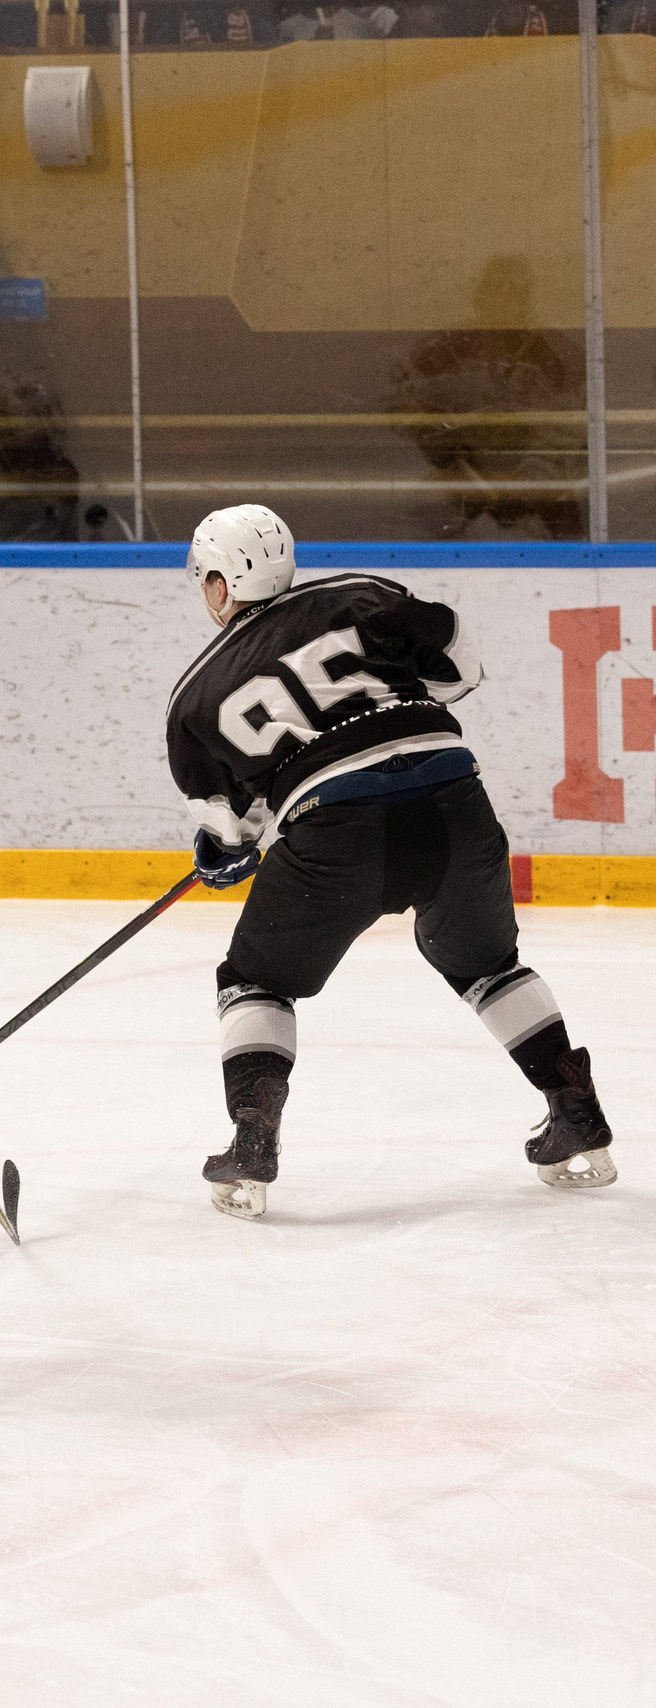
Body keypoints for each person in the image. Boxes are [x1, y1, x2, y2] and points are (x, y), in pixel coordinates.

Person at [166, 503, 615, 1219]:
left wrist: (222, 854)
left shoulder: (195, 696)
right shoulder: (363, 594)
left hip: (335, 836)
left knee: (253, 980)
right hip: (454, 807)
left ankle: (253, 1143)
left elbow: (230, 827)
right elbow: (459, 661)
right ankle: (577, 1115)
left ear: (220, 584)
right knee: (489, 966)